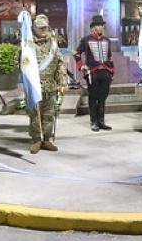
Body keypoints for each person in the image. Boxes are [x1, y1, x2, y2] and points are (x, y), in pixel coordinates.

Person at [26, 14, 67, 154]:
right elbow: (22, 63)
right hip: (34, 86)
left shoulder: (53, 44)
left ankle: (47, 139)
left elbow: (60, 63)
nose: (43, 30)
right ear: (34, 28)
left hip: (50, 85)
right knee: (35, 115)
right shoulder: (28, 43)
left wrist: (62, 81)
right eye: (40, 27)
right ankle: (37, 139)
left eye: (45, 27)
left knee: (49, 114)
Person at [73, 14, 114, 132]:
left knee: (103, 98)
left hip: (105, 73)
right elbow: (76, 53)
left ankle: (101, 121)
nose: (101, 27)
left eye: (102, 25)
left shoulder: (107, 40)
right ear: (93, 27)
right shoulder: (86, 40)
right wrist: (81, 67)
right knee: (93, 98)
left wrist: (111, 72)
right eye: (99, 25)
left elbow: (110, 57)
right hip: (93, 73)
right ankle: (94, 122)